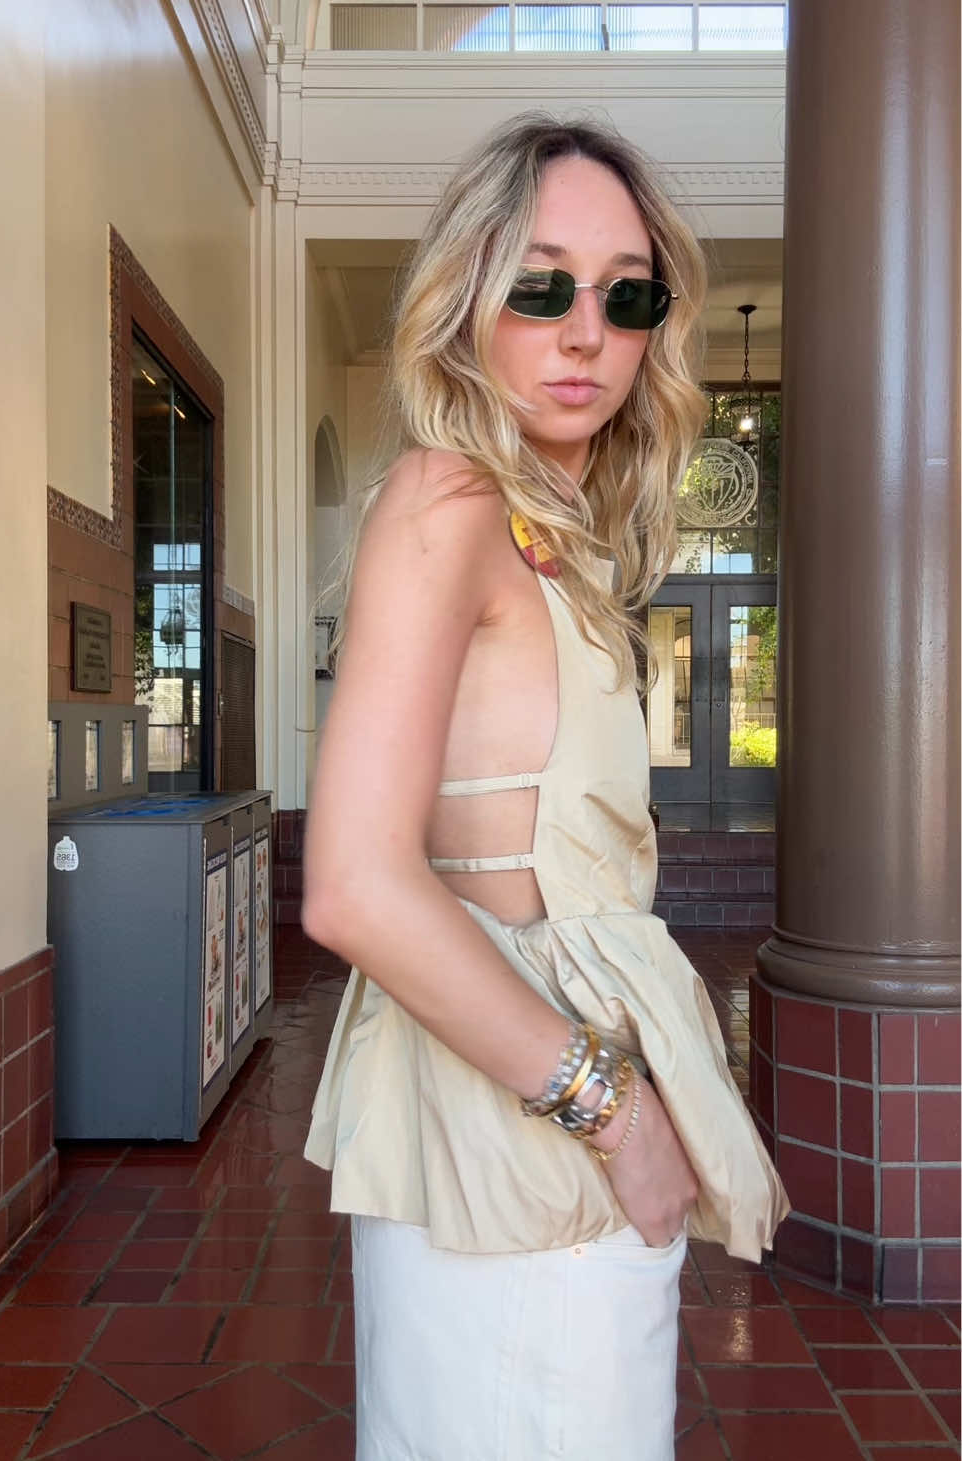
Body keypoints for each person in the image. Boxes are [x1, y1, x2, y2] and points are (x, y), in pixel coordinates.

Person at [303, 113, 788, 1461]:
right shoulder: (445, 499)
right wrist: (614, 1110)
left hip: (546, 1133)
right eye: (540, 285)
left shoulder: (556, 541)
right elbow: (351, 885)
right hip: (518, 1136)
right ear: (468, 296)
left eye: (626, 296)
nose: (585, 332)